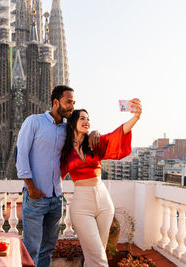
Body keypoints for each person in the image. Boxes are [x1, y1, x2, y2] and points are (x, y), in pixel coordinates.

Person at [60, 99, 142, 267]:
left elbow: (117, 135)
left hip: (104, 201)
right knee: (98, 257)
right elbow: (55, 175)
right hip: (82, 206)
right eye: (82, 118)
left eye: (88, 119)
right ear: (72, 123)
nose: (86, 121)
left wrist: (136, 118)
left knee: (95, 256)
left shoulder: (94, 143)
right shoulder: (65, 151)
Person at [16, 85, 79, 267]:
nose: (71, 106)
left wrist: (95, 133)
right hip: (36, 198)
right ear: (56, 102)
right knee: (31, 249)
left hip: (56, 199)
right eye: (68, 102)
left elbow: (83, 138)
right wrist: (31, 187)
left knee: (48, 249)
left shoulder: (67, 129)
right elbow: (21, 155)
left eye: (73, 103)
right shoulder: (34, 122)